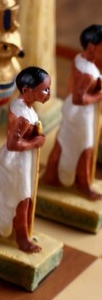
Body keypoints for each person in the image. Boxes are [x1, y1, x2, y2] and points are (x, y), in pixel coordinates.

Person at [0, 67, 50, 251]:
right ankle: (22, 238)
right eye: (44, 89)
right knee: (23, 198)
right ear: (27, 90)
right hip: (18, 162)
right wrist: (35, 141)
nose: (48, 94)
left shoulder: (20, 105)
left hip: (15, 160)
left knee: (1, 191)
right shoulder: (23, 117)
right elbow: (13, 143)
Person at [43, 24, 102, 200]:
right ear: (91, 47)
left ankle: (52, 176)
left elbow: (72, 89)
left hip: (72, 111)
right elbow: (79, 98)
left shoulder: (79, 59)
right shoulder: (88, 73)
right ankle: (84, 185)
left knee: (63, 141)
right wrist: (99, 95)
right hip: (82, 114)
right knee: (86, 148)